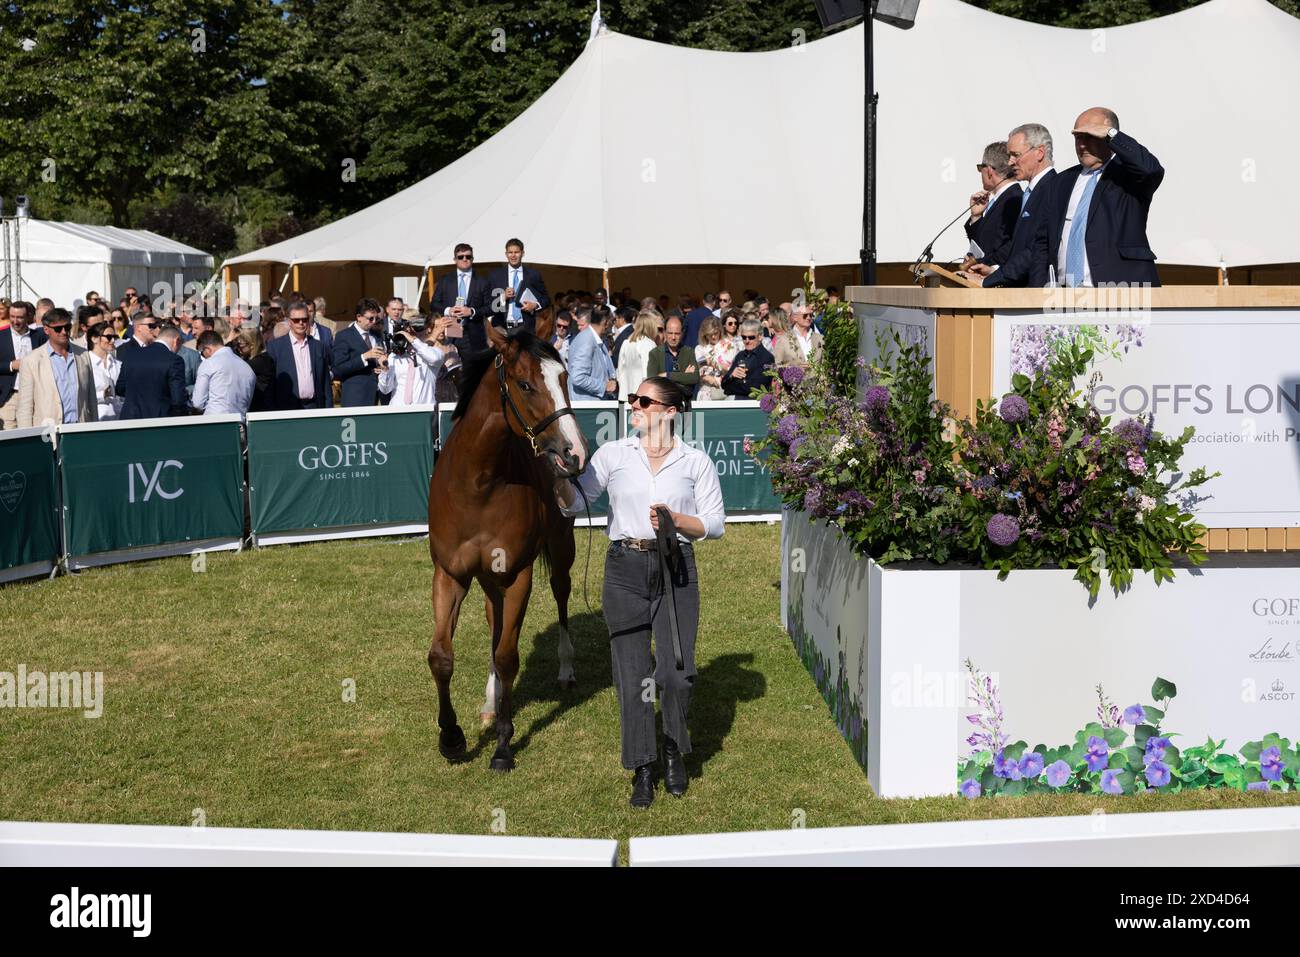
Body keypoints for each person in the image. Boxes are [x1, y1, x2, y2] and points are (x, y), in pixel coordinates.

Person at [556, 375, 725, 807]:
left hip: (676, 568)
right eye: (633, 397)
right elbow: (577, 502)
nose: (633, 404)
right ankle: (643, 767)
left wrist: (676, 520)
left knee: (676, 673)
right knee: (632, 677)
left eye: (643, 400)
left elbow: (715, 524)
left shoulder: (695, 462)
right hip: (624, 570)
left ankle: (672, 747)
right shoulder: (614, 454)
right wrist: (557, 477)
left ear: (669, 412)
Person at [1044, 107, 1165, 288]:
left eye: (1090, 136)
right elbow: (1043, 240)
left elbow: (1151, 169)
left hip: (1120, 288)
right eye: (1078, 138)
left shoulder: (1129, 176)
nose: (1082, 145)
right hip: (1063, 294)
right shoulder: (1061, 181)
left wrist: (1111, 135)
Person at [965, 123, 1058, 288]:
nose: (1010, 162)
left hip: (1035, 295)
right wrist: (995, 269)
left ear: (1040, 152)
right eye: (1009, 155)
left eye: (1015, 155)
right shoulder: (1032, 191)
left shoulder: (1053, 188)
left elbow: (1035, 250)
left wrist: (990, 279)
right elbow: (1018, 247)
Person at [17, 308, 97, 427]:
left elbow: (91, 399)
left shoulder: (83, 355)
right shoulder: (31, 361)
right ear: (46, 330)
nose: (64, 332)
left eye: (67, 327)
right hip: (47, 432)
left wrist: (94, 428)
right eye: (58, 329)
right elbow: (25, 407)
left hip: (80, 429)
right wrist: (27, 440)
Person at [963, 141, 1022, 268]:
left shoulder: (1014, 200)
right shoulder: (1003, 198)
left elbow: (1008, 247)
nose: (980, 173)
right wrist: (976, 217)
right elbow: (985, 243)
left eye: (980, 168)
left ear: (989, 170)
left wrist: (979, 263)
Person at [431, 242, 494, 357]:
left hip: (475, 334)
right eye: (460, 257)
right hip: (451, 330)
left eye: (468, 257)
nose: (464, 259)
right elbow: (434, 304)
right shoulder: (445, 280)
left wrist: (472, 311)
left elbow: (490, 308)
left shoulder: (482, 281)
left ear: (472, 259)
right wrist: (448, 310)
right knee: (453, 369)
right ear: (455, 259)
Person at [116, 319, 187, 420]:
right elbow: (178, 399)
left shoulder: (131, 355)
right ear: (176, 341)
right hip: (159, 420)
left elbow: (120, 388)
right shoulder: (174, 360)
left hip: (130, 418)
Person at [267, 302, 333, 410]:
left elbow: (325, 384)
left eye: (304, 319)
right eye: (296, 320)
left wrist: (329, 411)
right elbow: (270, 385)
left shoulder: (319, 346)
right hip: (286, 409)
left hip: (314, 407)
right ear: (289, 322)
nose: (301, 323)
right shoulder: (275, 347)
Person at [378, 317, 450, 407]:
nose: (407, 337)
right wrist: (385, 370)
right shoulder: (394, 357)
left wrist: (413, 340)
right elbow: (385, 390)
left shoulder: (434, 352)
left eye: (412, 333)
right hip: (397, 409)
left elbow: (434, 358)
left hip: (423, 410)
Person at [331, 298, 387, 407]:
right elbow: (338, 368)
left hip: (378, 394)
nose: (374, 321)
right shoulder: (344, 336)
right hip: (356, 396)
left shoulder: (377, 335)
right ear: (359, 317)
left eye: (376, 318)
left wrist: (381, 367)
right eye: (370, 318)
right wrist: (364, 357)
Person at [488, 238, 550, 334]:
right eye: (510, 252)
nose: (513, 255)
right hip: (502, 329)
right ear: (506, 254)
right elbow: (488, 303)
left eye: (516, 252)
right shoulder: (495, 275)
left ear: (522, 253)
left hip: (526, 328)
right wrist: (503, 297)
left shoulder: (533, 275)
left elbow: (546, 299)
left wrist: (535, 305)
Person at [1, 301, 47, 430]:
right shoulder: (1, 337)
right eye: (12, 317)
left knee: (31, 434)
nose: (15, 321)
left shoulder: (38, 337)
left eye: (20, 317)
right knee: (9, 439)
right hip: (9, 397)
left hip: (34, 396)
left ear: (28, 317)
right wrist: (11, 365)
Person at [192, 330, 256, 414]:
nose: (203, 356)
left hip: (214, 421)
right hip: (239, 422)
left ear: (207, 349)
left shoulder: (209, 363)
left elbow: (198, 403)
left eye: (202, 353)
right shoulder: (248, 368)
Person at [567, 304, 616, 401]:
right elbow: (578, 377)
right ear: (605, 322)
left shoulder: (596, 339)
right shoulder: (587, 341)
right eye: (612, 321)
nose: (613, 325)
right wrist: (604, 386)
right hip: (587, 408)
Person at [722, 318, 775, 399]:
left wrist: (729, 389)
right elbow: (723, 383)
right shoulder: (740, 355)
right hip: (737, 402)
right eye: (744, 337)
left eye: (751, 337)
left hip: (754, 405)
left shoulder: (766, 357)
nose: (747, 341)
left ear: (760, 337)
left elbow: (754, 388)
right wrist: (731, 375)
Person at [646, 316, 700, 395]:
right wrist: (683, 376)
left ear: (682, 333)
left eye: (677, 334)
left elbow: (694, 378)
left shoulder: (689, 352)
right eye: (670, 333)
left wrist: (667, 375)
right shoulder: (655, 353)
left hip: (684, 400)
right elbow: (652, 380)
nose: (673, 337)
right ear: (664, 333)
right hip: (663, 400)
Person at [616, 312, 660, 402]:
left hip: (626, 396)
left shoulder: (626, 343)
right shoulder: (648, 344)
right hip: (643, 398)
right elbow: (648, 373)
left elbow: (620, 371)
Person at [85, 321, 123, 420]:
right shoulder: (85, 364)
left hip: (119, 419)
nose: (113, 340)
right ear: (94, 339)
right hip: (96, 421)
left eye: (114, 337)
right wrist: (102, 395)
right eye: (109, 337)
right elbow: (80, 396)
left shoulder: (118, 364)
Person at [771, 304, 823, 369]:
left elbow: (825, 364)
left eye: (811, 315)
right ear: (795, 317)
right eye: (805, 315)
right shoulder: (783, 340)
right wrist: (794, 369)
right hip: (794, 378)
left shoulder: (820, 338)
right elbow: (777, 366)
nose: (809, 318)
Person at [235, 328, 275, 413]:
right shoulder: (252, 359)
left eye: (240, 345)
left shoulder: (260, 361)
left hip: (261, 411)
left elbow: (235, 369)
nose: (238, 348)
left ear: (252, 345)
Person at [693, 317, 732, 401]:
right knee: (702, 414)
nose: (713, 337)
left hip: (725, 390)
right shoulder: (699, 348)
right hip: (706, 391)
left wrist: (714, 364)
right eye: (710, 334)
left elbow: (731, 369)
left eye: (716, 333)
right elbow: (698, 369)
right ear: (705, 334)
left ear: (720, 331)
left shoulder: (728, 345)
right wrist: (707, 378)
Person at [162, 324, 201, 399]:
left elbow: (200, 383)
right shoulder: (157, 354)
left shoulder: (192, 356)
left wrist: (183, 390)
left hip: (184, 401)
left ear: (176, 340)